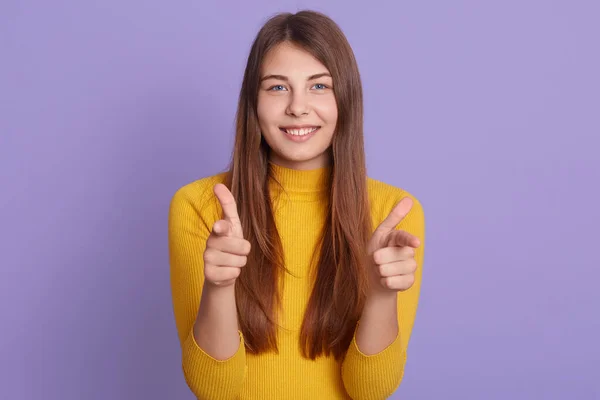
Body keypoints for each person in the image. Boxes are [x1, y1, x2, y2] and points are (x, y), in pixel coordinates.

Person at [168, 10, 425, 400]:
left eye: (319, 86)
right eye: (277, 88)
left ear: (346, 99)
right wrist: (219, 289)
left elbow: (370, 390)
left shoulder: (394, 214)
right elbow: (213, 390)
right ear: (253, 102)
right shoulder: (200, 206)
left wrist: (380, 295)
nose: (298, 107)